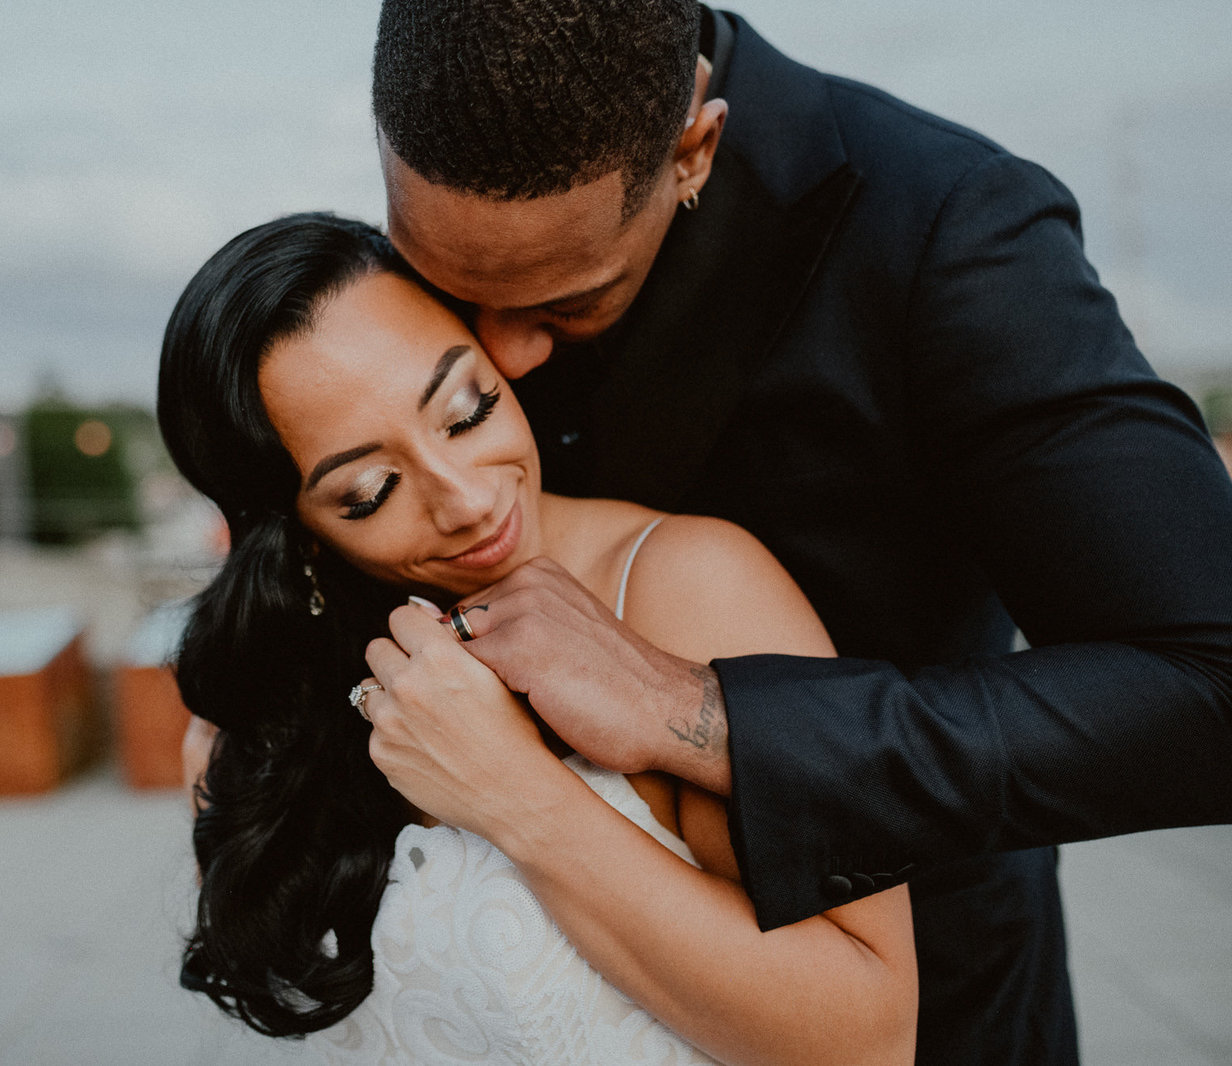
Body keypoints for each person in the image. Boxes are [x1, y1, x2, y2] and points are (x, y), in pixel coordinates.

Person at [363, 1, 1232, 1063]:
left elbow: (1209, 684)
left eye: (570, 302)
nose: (504, 358)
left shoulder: (947, 229)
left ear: (694, 147)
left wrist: (696, 711)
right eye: (451, 292)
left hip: (913, 1002)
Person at [158, 212, 918, 1064]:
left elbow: (871, 1037)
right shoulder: (265, 716)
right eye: (371, 491)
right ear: (298, 536)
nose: (469, 500)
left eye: (466, 409)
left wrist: (516, 794)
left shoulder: (689, 585)